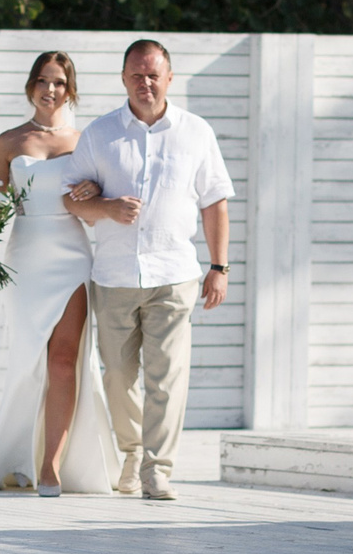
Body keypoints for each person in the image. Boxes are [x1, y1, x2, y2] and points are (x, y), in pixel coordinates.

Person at [0, 51, 121, 496]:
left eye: (59, 82)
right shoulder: (9, 141)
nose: (49, 89)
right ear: (30, 86)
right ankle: (14, 453)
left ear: (70, 90)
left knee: (64, 359)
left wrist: (95, 189)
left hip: (72, 254)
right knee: (26, 361)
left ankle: (51, 463)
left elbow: (101, 197)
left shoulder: (85, 140)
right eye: (42, 80)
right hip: (25, 255)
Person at [64, 39, 232, 501]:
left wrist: (219, 266)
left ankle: (158, 469)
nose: (145, 83)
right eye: (137, 75)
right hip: (114, 276)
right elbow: (70, 198)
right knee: (118, 377)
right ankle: (133, 452)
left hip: (174, 274)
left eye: (154, 75)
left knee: (167, 376)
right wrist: (106, 206)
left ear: (169, 78)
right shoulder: (99, 134)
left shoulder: (196, 132)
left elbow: (215, 203)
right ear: (123, 78)